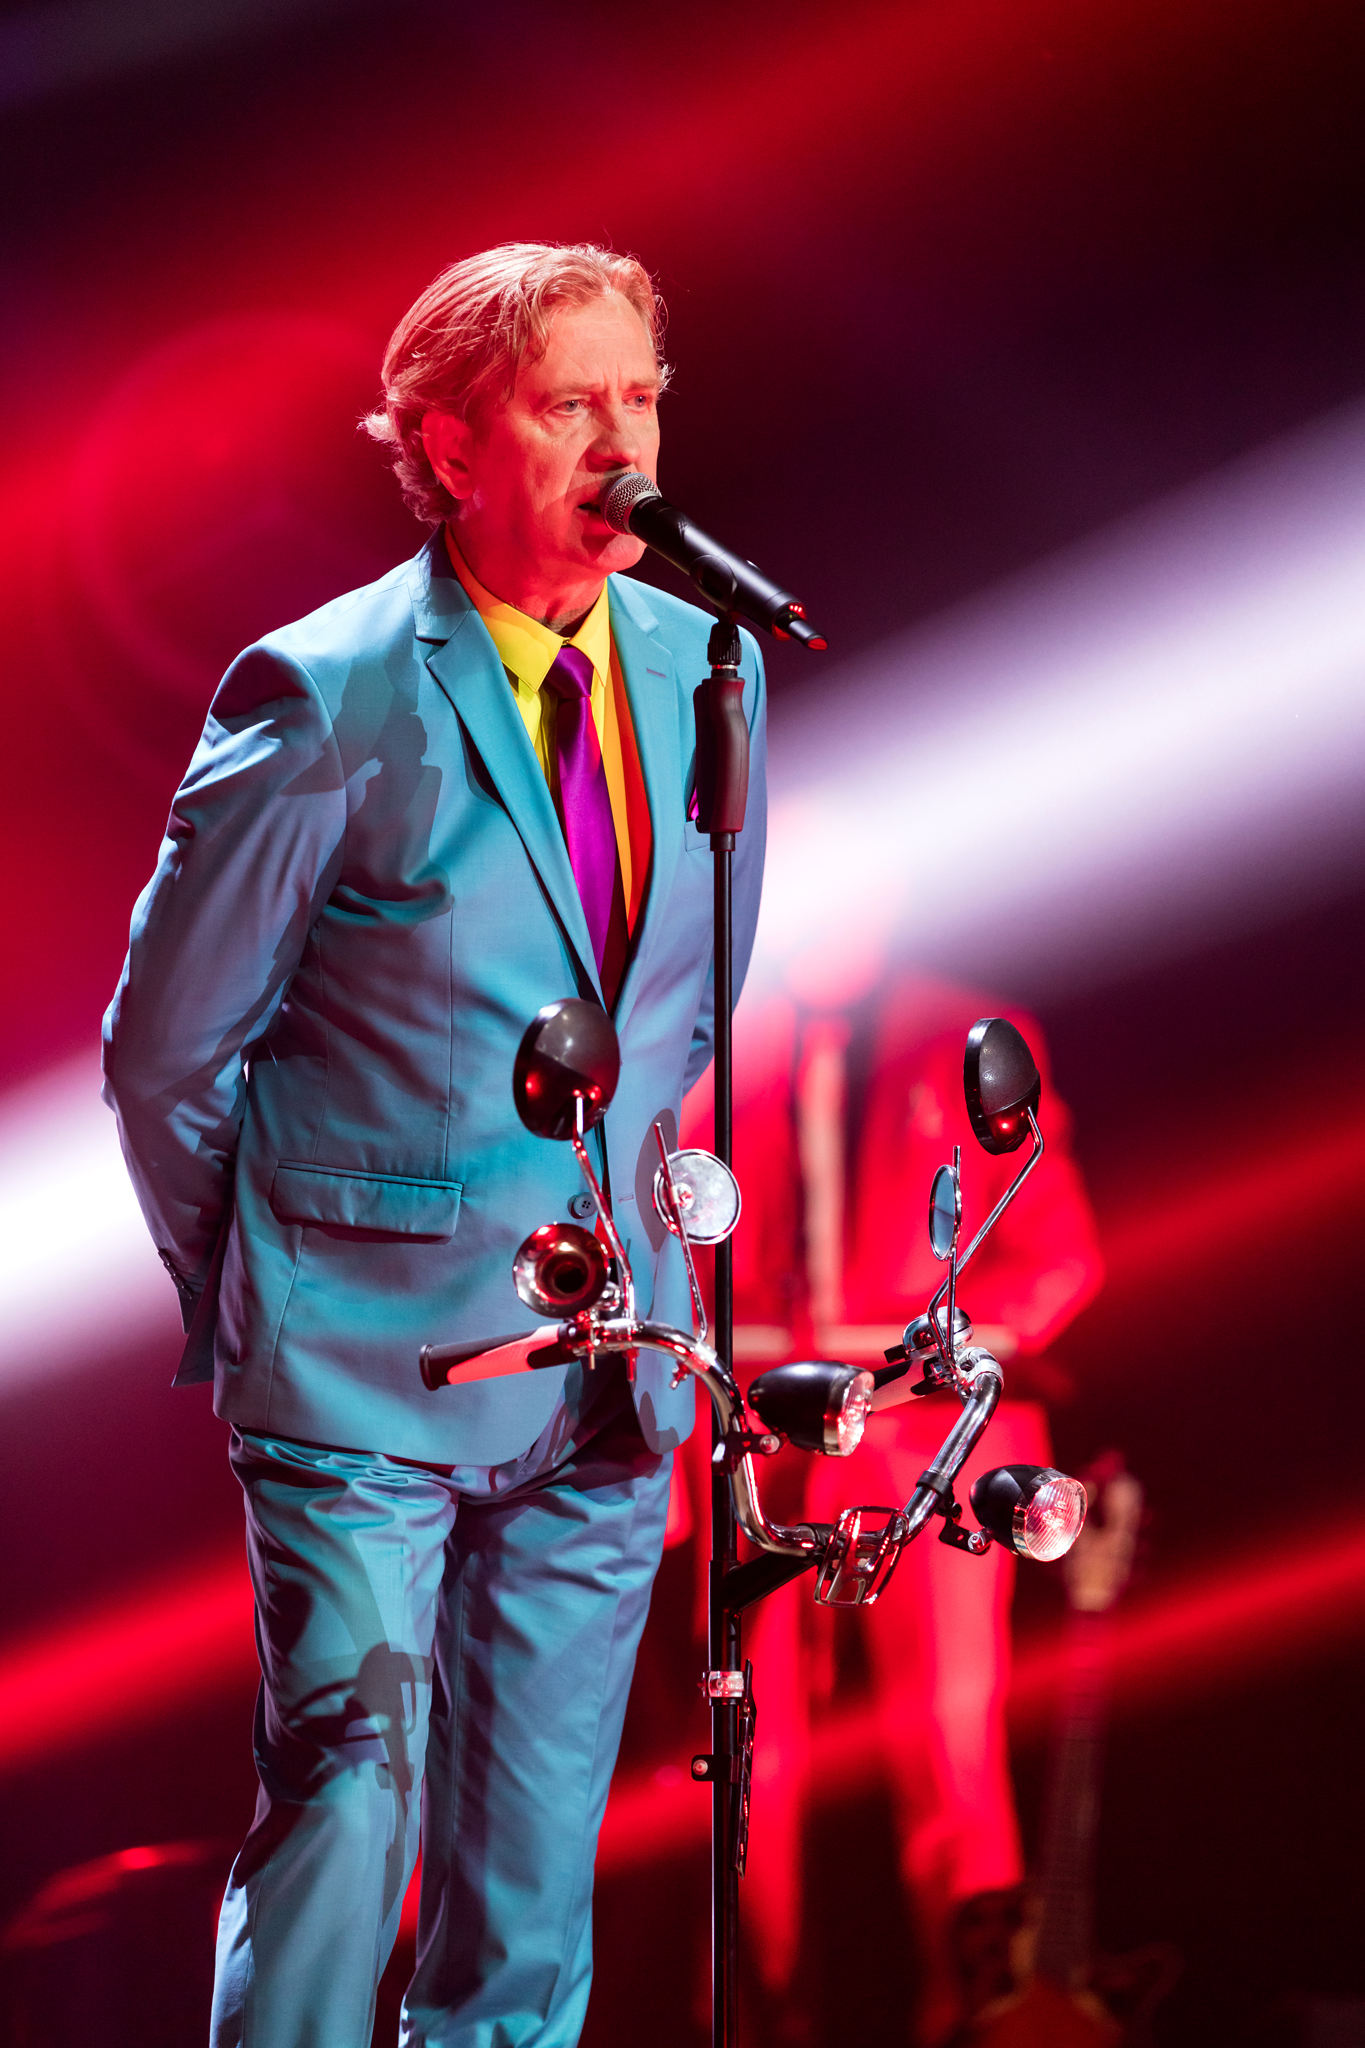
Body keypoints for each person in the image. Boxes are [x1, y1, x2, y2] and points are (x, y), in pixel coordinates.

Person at [102, 242, 767, 2048]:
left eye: (641, 397)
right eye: (570, 404)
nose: (622, 441)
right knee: (345, 1822)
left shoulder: (707, 664)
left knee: (532, 1890)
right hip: (358, 1371)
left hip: (607, 1374)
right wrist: (271, 1286)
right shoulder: (322, 690)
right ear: (449, 444)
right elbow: (166, 1055)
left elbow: (680, 1019)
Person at [677, 968, 1101, 2046]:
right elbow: (663, 1234)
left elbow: (1058, 1256)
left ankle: (985, 2011)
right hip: (762, 1432)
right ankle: (750, 2010)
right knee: (742, 1743)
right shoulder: (718, 1038)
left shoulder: (959, 1036)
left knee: (950, 1744)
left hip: (932, 1444)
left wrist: (917, 1354)